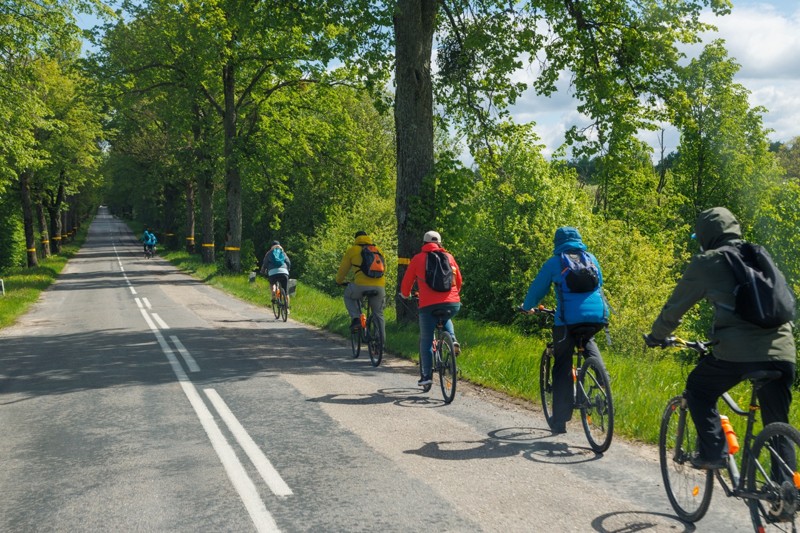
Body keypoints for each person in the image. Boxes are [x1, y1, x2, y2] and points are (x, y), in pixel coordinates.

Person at [645, 207, 796, 470]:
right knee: (776, 424)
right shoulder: (758, 254)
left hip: (739, 353)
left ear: (705, 236)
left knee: (699, 388)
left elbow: (674, 309)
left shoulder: (709, 262)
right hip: (784, 351)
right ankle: (785, 495)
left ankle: (713, 453)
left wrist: (656, 337)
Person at [520, 226, 608, 434]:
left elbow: (537, 289)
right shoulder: (591, 259)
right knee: (587, 341)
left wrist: (526, 307)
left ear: (557, 243)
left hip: (568, 320)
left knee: (562, 365)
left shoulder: (555, 262)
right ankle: (602, 374)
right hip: (597, 317)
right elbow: (600, 285)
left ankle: (560, 421)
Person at [400, 230, 463, 388]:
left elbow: (407, 282)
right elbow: (459, 280)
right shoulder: (449, 257)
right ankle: (453, 340)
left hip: (428, 305)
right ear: (440, 243)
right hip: (452, 303)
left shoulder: (418, 259)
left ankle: (427, 376)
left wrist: (405, 294)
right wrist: (452, 296)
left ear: (424, 243)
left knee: (426, 340)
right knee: (447, 317)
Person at [335, 231, 386, 343]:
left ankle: (356, 318)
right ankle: (380, 343)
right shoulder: (378, 250)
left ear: (356, 239)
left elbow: (343, 270)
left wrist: (339, 281)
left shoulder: (353, 250)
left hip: (360, 286)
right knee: (378, 314)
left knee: (348, 296)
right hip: (379, 287)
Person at [261, 241, 291, 308]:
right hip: (284, 272)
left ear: (272, 246)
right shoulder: (283, 252)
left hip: (272, 273)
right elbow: (288, 262)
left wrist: (262, 271)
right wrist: (288, 269)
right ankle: (287, 308)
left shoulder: (269, 253)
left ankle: (274, 292)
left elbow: (265, 263)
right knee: (286, 292)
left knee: (272, 284)